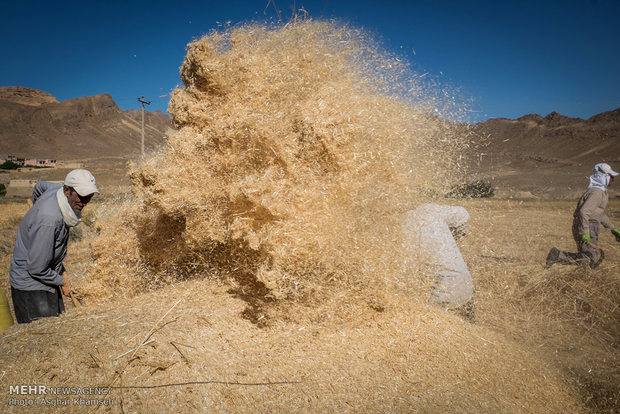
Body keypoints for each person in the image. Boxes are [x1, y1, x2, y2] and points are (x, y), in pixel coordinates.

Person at [9, 169, 98, 323]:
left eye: (89, 197)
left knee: (58, 325)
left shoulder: (55, 190)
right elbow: (36, 268)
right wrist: (62, 281)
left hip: (46, 275)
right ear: (67, 190)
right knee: (43, 336)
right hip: (31, 286)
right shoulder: (49, 221)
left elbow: (39, 186)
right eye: (81, 196)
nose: (84, 202)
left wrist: (36, 207)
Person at [546, 162, 620, 269]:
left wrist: (613, 229)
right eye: (611, 176)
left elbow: (598, 213)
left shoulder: (600, 192)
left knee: (589, 258)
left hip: (590, 226)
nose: (613, 179)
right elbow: (584, 212)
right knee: (590, 258)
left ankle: (559, 257)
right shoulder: (597, 192)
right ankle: (558, 255)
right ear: (602, 176)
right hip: (587, 226)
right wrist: (585, 232)